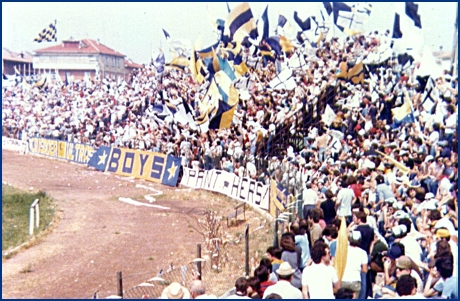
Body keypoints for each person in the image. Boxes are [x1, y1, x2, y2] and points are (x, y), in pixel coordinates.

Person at [340, 231, 368, 299]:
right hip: (355, 281)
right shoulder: (363, 253)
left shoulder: (343, 250)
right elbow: (365, 270)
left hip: (343, 280)